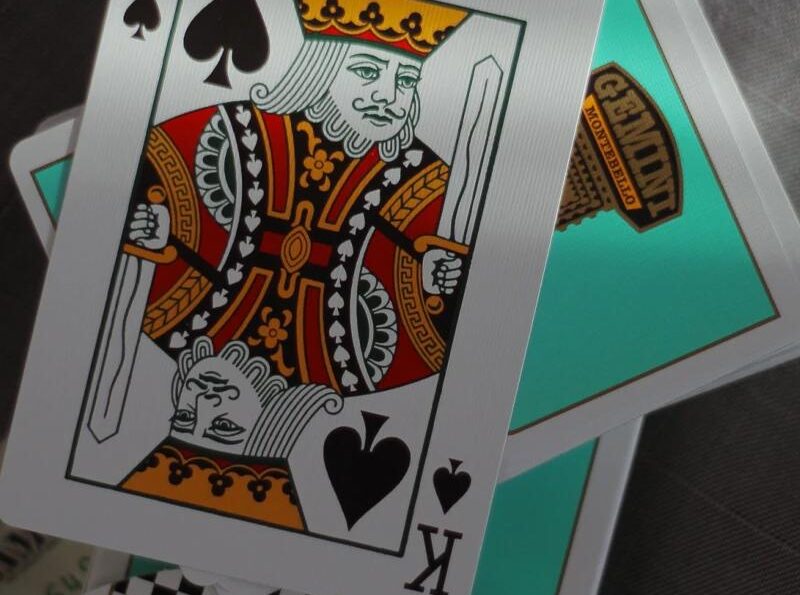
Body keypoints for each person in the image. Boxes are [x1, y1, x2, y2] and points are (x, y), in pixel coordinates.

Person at [120, 0, 473, 400]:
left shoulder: (421, 178)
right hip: (206, 353)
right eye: (367, 72)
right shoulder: (238, 130)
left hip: (328, 379)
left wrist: (434, 282)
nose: (388, 96)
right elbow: (154, 175)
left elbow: (437, 336)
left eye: (407, 81)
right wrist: (156, 233)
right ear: (319, 67)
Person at [121, 337, 342, 530]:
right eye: (184, 417)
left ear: (265, 434)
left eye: (224, 427)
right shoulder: (139, 496)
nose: (194, 437)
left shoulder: (268, 505)